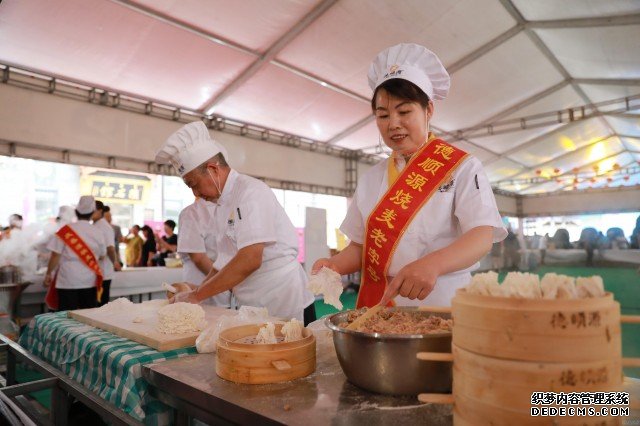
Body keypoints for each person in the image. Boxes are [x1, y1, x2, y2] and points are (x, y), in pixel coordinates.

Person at [312, 43, 506, 308]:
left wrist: (434, 264)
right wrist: (334, 264)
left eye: (404, 112)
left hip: (443, 300)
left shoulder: (461, 166)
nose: (393, 124)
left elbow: (481, 235)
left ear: (428, 110)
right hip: (384, 305)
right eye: (382, 115)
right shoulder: (372, 178)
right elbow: (361, 248)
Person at [155, 121, 315, 323]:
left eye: (194, 185)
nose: (196, 194)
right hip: (252, 300)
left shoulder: (251, 192)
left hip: (282, 296)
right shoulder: (222, 204)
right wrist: (197, 289)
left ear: (213, 169)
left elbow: (250, 258)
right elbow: (222, 262)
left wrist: (197, 295)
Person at [44, 196, 106, 311]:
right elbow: (102, 255)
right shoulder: (98, 232)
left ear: (76, 212)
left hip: (68, 279)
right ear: (92, 213)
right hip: (89, 279)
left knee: (66, 316)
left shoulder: (65, 230)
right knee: (88, 316)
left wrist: (48, 273)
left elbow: (55, 255)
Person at [177, 199, 231, 307]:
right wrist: (227, 279)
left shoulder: (227, 210)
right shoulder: (192, 212)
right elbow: (198, 258)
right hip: (201, 281)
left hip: (222, 282)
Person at [92, 201, 122, 306]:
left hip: (103, 272)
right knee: (95, 303)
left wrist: (115, 262)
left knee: (101, 303)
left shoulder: (105, 227)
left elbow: (110, 248)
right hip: (95, 271)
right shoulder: (95, 225)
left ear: (100, 211)